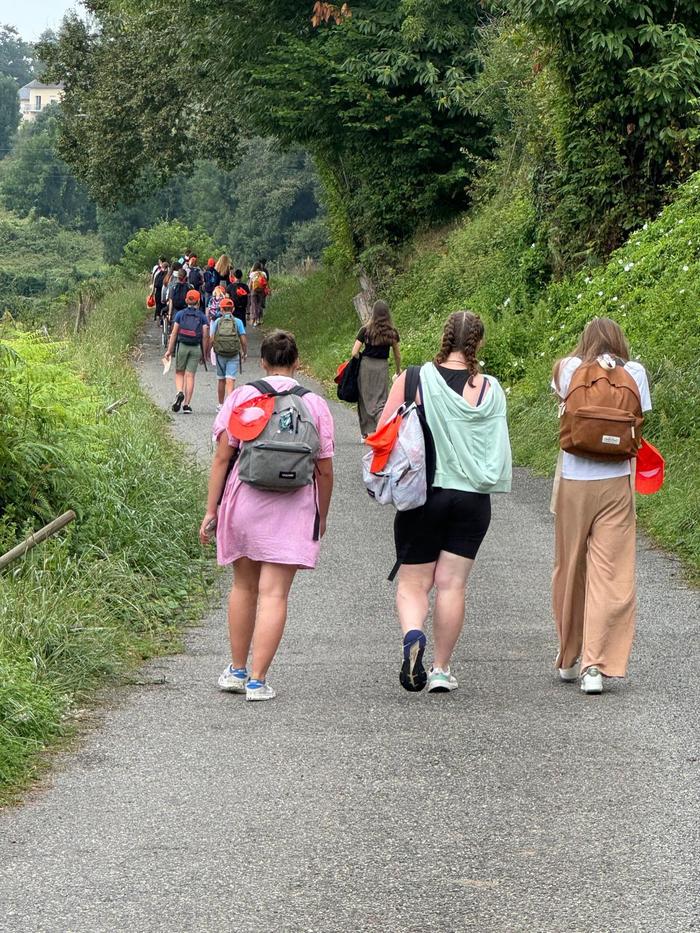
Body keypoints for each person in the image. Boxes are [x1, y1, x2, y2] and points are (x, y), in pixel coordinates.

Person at [378, 311, 511, 694]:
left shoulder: (414, 379)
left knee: (414, 584)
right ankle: (440, 669)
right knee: (452, 586)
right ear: (478, 343)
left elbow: (384, 434)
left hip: (424, 496)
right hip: (472, 499)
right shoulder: (490, 388)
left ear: (444, 337)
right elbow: (495, 444)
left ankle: (413, 635)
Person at [200, 330, 335, 701]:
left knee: (243, 587)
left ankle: (237, 670)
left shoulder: (244, 396)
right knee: (274, 594)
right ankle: (258, 682)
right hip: (294, 509)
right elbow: (324, 470)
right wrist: (321, 514)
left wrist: (211, 510)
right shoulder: (315, 405)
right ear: (296, 363)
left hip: (245, 503)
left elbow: (222, 457)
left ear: (262, 362)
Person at [551, 317, 652, 694]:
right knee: (610, 573)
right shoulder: (635, 372)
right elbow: (639, 422)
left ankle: (569, 657)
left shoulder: (567, 368)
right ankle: (595, 666)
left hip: (574, 482)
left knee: (570, 566)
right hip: (616, 481)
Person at [351, 300, 401, 437]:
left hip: (366, 366)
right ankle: (382, 427)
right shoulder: (392, 332)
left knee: (365, 397)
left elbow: (354, 352)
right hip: (382, 367)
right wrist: (398, 370)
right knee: (381, 399)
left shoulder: (365, 330)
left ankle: (367, 432)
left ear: (373, 313)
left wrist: (360, 361)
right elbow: (397, 354)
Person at [164, 289, 209, 414]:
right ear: (199, 301)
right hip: (195, 347)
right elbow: (205, 335)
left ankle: (179, 392)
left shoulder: (180, 314)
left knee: (179, 372)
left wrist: (169, 350)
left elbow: (173, 333)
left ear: (186, 300)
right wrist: (204, 353)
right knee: (190, 375)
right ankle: (187, 405)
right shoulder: (202, 316)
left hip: (182, 346)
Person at [207, 297, 248, 407]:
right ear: (233, 309)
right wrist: (245, 352)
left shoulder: (217, 322)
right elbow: (243, 339)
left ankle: (220, 405)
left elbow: (211, 338)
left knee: (221, 379)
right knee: (230, 379)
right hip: (234, 353)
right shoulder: (238, 322)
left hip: (220, 353)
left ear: (221, 310)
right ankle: (229, 405)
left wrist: (207, 352)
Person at [248, 261, 267, 327]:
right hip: (261, 291)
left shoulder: (252, 273)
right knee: (259, 305)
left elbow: (250, 283)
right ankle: (259, 319)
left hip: (254, 291)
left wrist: (249, 291)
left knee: (254, 305)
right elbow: (265, 283)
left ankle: (254, 320)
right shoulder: (263, 273)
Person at [152, 257, 169, 322]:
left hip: (158, 292)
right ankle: (164, 319)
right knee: (164, 305)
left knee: (158, 305)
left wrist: (152, 292)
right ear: (167, 267)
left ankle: (157, 316)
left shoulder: (158, 273)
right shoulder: (168, 274)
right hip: (165, 292)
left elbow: (155, 283)